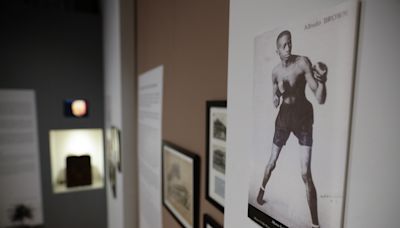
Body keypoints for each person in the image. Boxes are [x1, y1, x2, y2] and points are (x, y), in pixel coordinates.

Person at [256, 30, 327, 228]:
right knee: (272, 161)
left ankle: (315, 224)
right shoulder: (275, 72)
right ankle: (261, 191)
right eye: (284, 46)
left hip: (303, 116)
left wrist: (322, 81)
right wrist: (278, 94)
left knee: (305, 173)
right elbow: (274, 100)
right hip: (284, 117)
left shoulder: (303, 62)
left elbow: (320, 98)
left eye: (290, 44)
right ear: (277, 50)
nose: (288, 48)